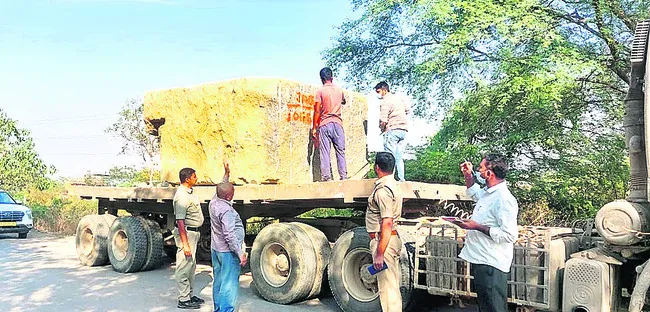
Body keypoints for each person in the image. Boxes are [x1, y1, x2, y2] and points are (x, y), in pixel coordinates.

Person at [457, 154, 519, 312]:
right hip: (482, 260)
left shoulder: (504, 199)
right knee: (486, 307)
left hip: (492, 264)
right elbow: (473, 192)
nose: (478, 170)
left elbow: (510, 235)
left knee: (493, 308)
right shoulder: (488, 192)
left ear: (490, 173)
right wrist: (468, 175)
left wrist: (477, 226)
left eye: (481, 168)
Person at [365, 152, 402, 312]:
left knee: (387, 289)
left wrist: (380, 253)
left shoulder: (382, 191)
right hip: (389, 240)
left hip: (383, 242)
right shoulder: (393, 186)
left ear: (377, 168)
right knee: (391, 286)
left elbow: (387, 222)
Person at [208, 161, 246, 312]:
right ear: (229, 196)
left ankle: (218, 309)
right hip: (227, 252)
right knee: (229, 284)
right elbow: (229, 235)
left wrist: (226, 174)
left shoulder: (214, 201)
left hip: (216, 249)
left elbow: (222, 186)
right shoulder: (226, 211)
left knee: (219, 281)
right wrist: (239, 253)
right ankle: (225, 310)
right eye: (233, 192)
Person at [173, 167, 205, 309]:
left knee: (191, 266)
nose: (196, 178)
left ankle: (189, 295)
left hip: (193, 233)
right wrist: (185, 244)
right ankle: (183, 299)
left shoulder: (190, 192)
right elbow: (180, 222)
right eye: (194, 176)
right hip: (187, 233)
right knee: (183, 266)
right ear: (187, 179)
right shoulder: (181, 196)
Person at [312, 67, 348, 181]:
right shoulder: (339, 90)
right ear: (332, 77)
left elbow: (317, 110)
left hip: (325, 123)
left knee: (325, 152)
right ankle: (343, 176)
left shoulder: (320, 91)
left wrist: (314, 127)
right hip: (338, 123)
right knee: (340, 151)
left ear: (322, 79)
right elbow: (344, 101)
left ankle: (326, 177)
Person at [374, 81, 409, 182]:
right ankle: (402, 179)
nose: (378, 94)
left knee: (389, 157)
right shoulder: (399, 98)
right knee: (399, 157)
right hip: (403, 130)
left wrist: (382, 128)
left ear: (384, 90)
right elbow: (407, 110)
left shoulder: (386, 101)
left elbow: (383, 119)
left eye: (378, 91)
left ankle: (390, 180)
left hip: (392, 130)